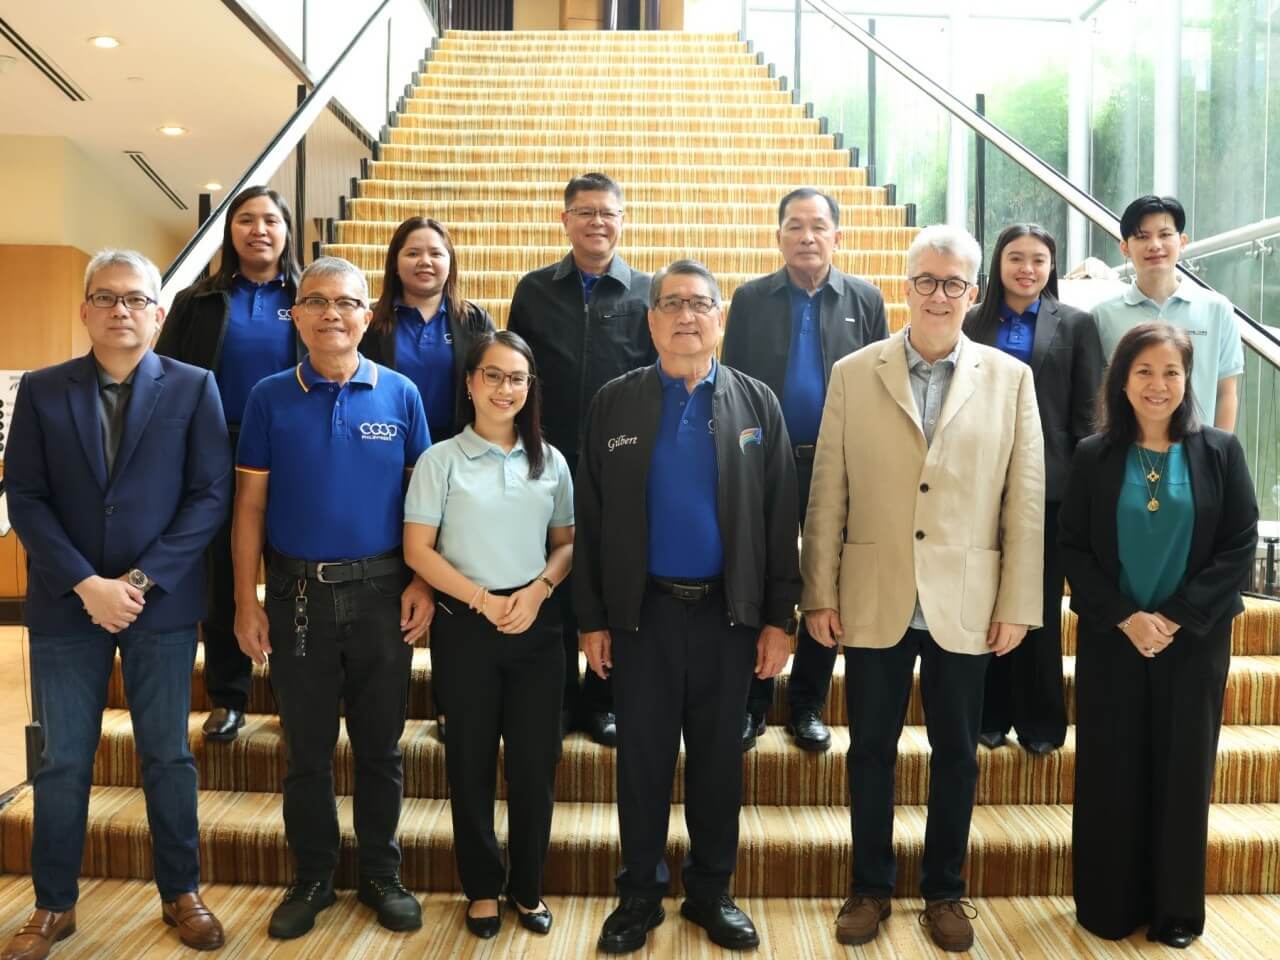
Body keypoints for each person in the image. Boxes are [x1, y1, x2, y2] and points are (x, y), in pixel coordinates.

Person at [802, 225, 1044, 953]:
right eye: (927, 281)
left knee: (958, 754)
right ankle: (870, 886)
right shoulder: (855, 371)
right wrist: (818, 590)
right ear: (904, 286)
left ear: (975, 293)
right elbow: (827, 493)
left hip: (966, 597)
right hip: (874, 592)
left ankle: (945, 891)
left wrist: (1018, 602)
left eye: (955, 283)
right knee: (870, 746)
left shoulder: (1010, 379)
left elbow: (1023, 500)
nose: (940, 295)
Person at [4, 250, 232, 958]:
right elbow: (27, 498)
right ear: (85, 311)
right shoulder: (43, 390)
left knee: (166, 756)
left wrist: (135, 584)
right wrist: (85, 584)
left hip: (158, 609)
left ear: (159, 314)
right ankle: (53, 906)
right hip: (64, 605)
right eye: (106, 298)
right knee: (63, 761)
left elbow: (209, 496)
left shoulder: (195, 388)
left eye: (136, 299)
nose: (121, 310)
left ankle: (181, 893)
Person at [575, 260, 800, 954]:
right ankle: (639, 894)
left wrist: (778, 618)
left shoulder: (757, 403)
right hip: (642, 616)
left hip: (727, 619)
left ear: (720, 318)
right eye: (671, 303)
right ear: (651, 320)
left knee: (716, 763)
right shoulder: (614, 401)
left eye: (701, 303)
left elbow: (779, 515)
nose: (686, 316)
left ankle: (710, 891)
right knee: (640, 761)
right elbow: (590, 516)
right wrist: (590, 619)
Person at [232, 257, 433, 940]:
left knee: (381, 748)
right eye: (315, 301)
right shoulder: (267, 396)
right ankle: (314, 875)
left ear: (367, 314)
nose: (331, 314)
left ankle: (381, 871)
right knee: (307, 752)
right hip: (296, 598)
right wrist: (245, 599)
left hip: (382, 595)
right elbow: (250, 506)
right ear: (296, 315)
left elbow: (423, 506)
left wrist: (423, 583)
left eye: (346, 302)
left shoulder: (402, 394)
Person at [1058, 322, 1257, 949]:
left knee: (1182, 770)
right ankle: (1109, 906)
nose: (1158, 384)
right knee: (1112, 770)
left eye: (1171, 372)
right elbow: (1074, 548)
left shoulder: (1220, 450)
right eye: (1143, 371)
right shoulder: (1093, 454)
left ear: (1187, 379)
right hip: (1114, 637)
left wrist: (1173, 617)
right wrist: (1126, 615)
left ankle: (1176, 911)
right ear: (1122, 379)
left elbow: (1238, 545)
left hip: (1192, 642)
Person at [403, 330, 574, 940]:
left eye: (518, 379)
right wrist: (481, 599)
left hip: (535, 632)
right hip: (465, 630)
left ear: (531, 389)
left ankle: (526, 887)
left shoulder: (550, 460)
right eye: (494, 376)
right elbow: (417, 551)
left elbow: (566, 545)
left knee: (534, 766)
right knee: (470, 764)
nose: (506, 389)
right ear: (471, 383)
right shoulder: (440, 460)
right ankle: (481, 887)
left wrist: (538, 591)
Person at [723, 186, 889, 753]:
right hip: (765, 458)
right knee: (761, 570)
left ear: (837, 236)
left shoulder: (865, 299)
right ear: (779, 237)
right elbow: (732, 384)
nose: (807, 236)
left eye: (818, 226)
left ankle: (809, 703)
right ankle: (753, 700)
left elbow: (882, 383)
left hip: (837, 461)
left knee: (826, 577)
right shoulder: (750, 298)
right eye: (795, 226)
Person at [507, 171, 655, 747]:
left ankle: (604, 699)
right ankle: (561, 696)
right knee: (553, 575)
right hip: (547, 458)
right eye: (586, 211)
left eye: (608, 212)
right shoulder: (534, 289)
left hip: (621, 461)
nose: (598, 221)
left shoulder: (646, 291)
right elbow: (517, 373)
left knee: (612, 575)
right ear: (565, 219)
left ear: (622, 220)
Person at [155, 185, 303, 743]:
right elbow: (164, 378)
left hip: (292, 447)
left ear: (287, 230)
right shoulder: (200, 301)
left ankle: (296, 691)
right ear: (230, 230)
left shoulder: (311, 295)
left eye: (270, 219)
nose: (259, 229)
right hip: (218, 447)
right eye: (246, 219)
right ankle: (228, 695)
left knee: (292, 573)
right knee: (224, 575)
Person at [963, 223, 1104, 754]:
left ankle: (1042, 722)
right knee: (984, 601)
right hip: (979, 481)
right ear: (998, 264)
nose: (1027, 268)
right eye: (1016, 257)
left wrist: (1087, 488)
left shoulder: (1077, 324)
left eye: (1039, 259)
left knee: (1037, 604)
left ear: (1051, 267)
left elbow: (1089, 413)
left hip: (1051, 486)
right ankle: (990, 715)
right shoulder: (973, 321)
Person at [362, 216, 496, 743]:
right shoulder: (373, 324)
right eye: (413, 252)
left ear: (450, 262)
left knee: (451, 581)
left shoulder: (471, 319)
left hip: (455, 464)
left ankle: (451, 702)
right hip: (388, 466)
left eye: (436, 253)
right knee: (392, 576)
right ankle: (378, 702)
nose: (425, 262)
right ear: (395, 261)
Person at [1094, 195, 1243, 430]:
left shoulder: (1217, 309)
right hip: (1128, 452)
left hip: (1198, 452)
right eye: (1142, 236)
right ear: (1125, 247)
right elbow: (1100, 393)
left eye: (1164, 235)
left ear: (1182, 241)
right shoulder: (1103, 316)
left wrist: (1219, 456)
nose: (1155, 245)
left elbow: (1226, 392)